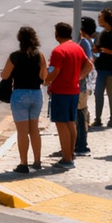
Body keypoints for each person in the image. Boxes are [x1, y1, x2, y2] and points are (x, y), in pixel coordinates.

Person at [44, 21, 93, 169]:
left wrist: (45, 81)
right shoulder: (77, 48)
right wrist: (78, 76)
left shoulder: (58, 51)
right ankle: (70, 154)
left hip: (61, 91)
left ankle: (66, 159)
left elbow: (55, 72)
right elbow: (89, 65)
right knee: (71, 123)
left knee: (61, 125)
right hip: (74, 91)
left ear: (57, 34)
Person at [0, 26, 48, 173]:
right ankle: (38, 161)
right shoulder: (39, 55)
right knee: (34, 129)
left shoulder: (14, 56)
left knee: (22, 131)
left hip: (20, 95)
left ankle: (23, 163)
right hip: (36, 94)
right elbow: (44, 77)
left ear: (19, 39)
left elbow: (5, 75)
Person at [92, 9, 112, 128]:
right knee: (98, 93)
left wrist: (105, 51)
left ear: (106, 20)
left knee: (111, 94)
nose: (98, 19)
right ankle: (98, 119)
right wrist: (96, 49)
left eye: (100, 17)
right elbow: (97, 48)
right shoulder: (101, 33)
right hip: (101, 68)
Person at [74, 17, 97, 156]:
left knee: (81, 115)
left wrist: (79, 78)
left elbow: (89, 63)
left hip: (82, 86)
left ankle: (81, 145)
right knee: (81, 114)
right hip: (84, 85)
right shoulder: (87, 42)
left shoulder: (84, 43)